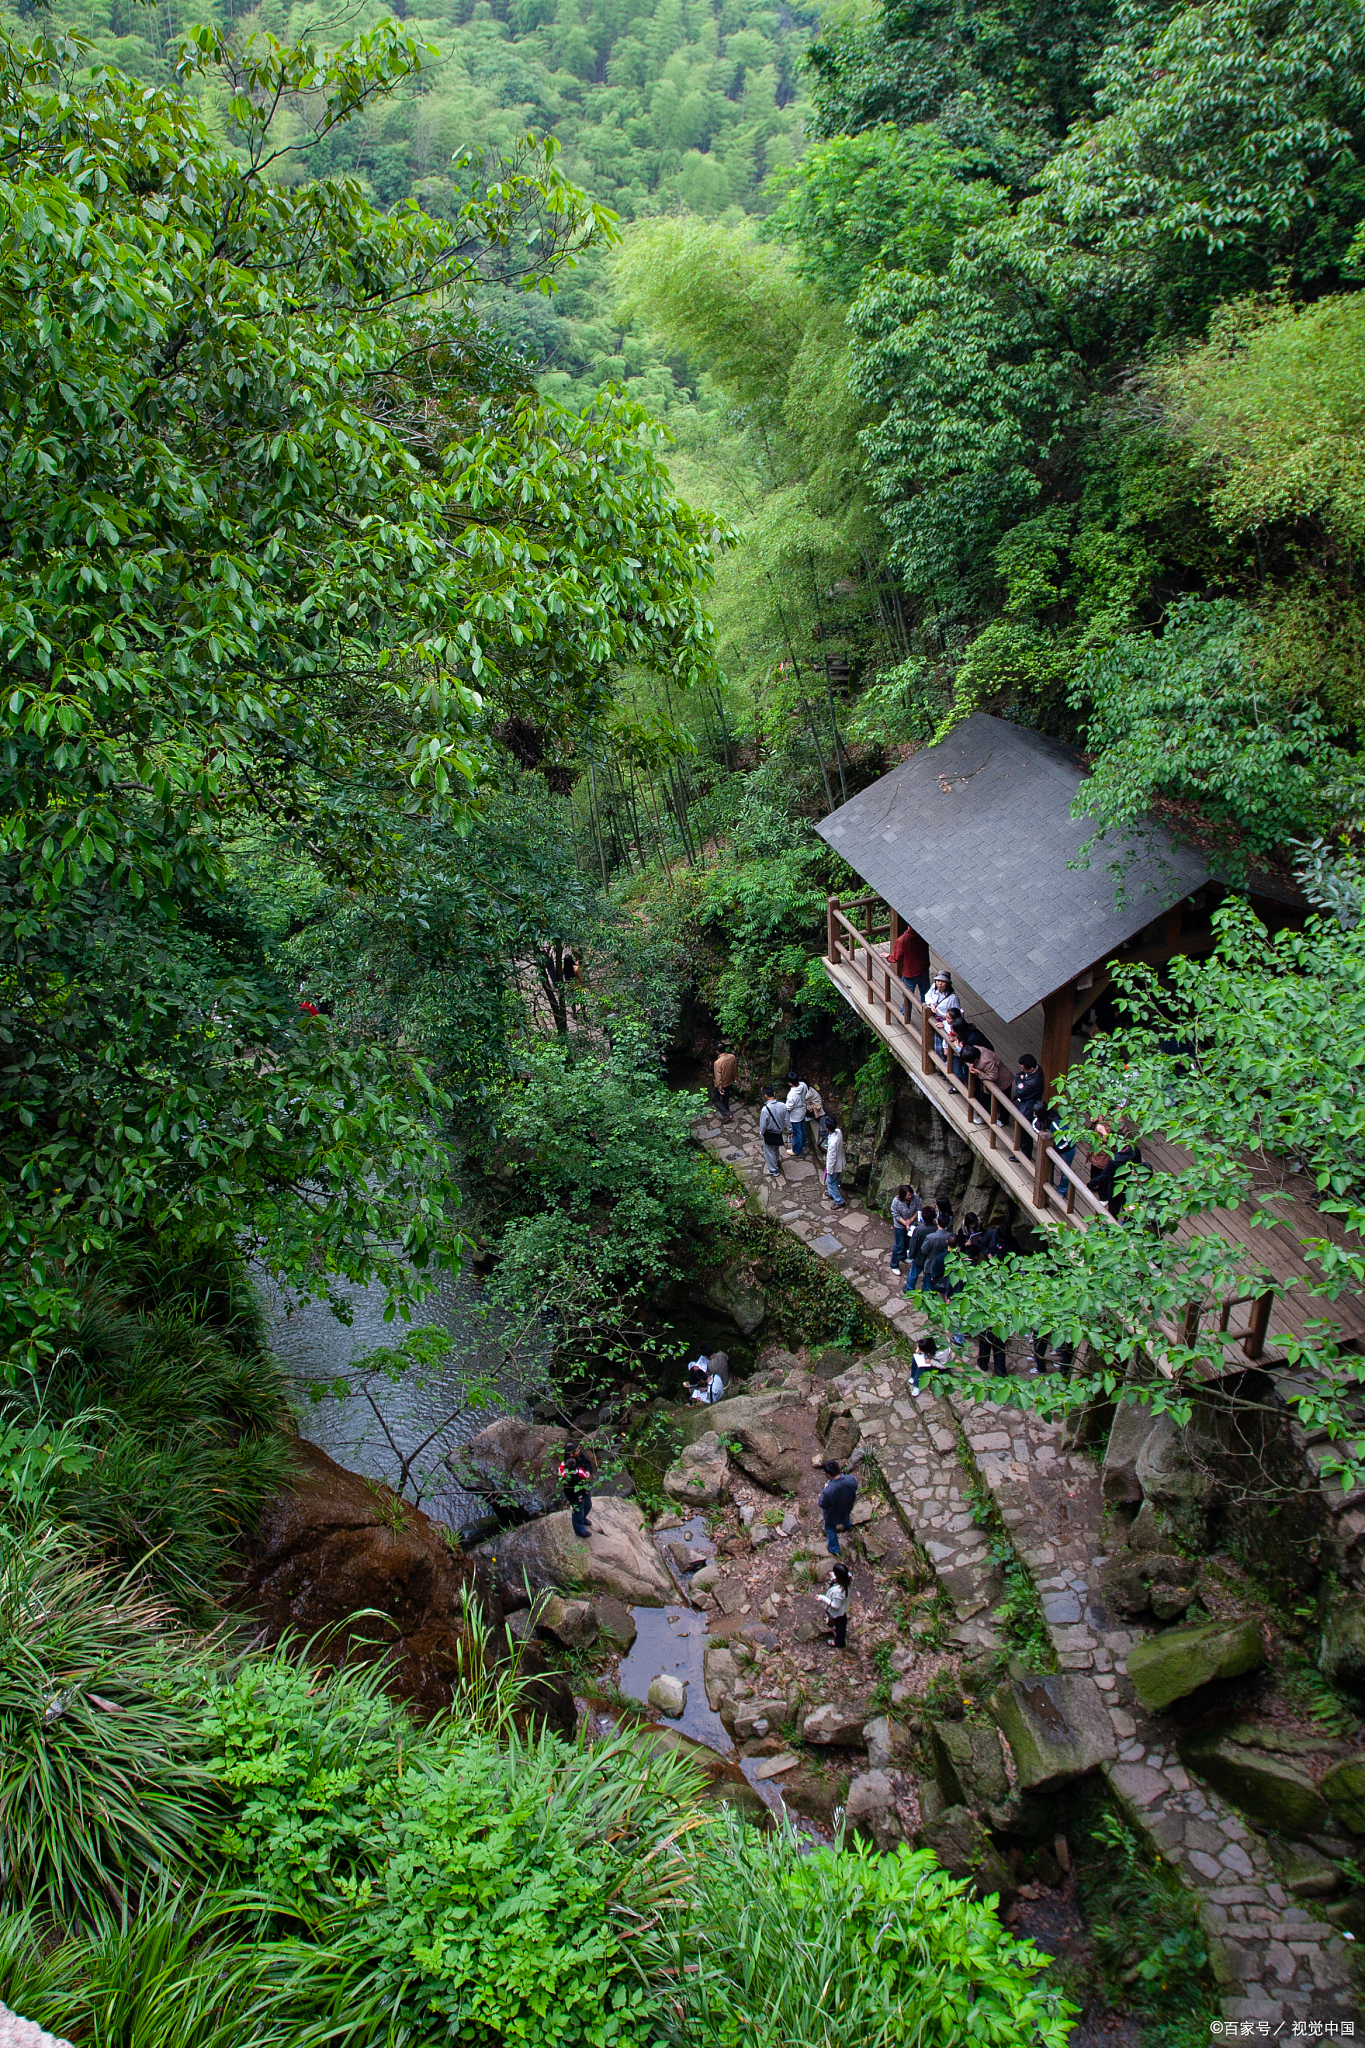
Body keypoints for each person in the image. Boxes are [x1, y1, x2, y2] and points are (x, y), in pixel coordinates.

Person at [906, 1207, 951, 1297]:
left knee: (914, 1274)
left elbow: (913, 1244)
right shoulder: (937, 1230)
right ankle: (925, 1292)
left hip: (920, 1257)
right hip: (933, 1259)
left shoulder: (919, 1230)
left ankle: (909, 1290)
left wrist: (911, 1254)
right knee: (927, 1278)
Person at [889, 923, 931, 1014]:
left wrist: (887, 956)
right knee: (926, 994)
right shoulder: (924, 934)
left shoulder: (903, 939)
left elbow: (895, 957)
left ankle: (905, 1014)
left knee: (908, 995)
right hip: (923, 969)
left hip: (910, 972)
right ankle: (926, 1012)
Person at [819, 1460, 858, 1555]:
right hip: (847, 1507)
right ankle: (848, 1525)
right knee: (846, 1517)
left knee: (830, 1529)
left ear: (828, 1475)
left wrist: (825, 1489)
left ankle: (834, 1549)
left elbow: (822, 1504)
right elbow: (855, 1486)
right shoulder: (851, 1479)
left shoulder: (828, 1491)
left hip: (832, 1515)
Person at [558, 1443, 596, 1539]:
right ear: (571, 1454)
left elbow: (587, 1463)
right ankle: (579, 1530)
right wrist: (579, 1496)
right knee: (578, 1511)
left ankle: (583, 1519)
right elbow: (571, 1484)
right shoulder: (568, 1466)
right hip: (574, 1493)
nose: (579, 1451)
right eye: (577, 1450)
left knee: (587, 1505)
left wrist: (588, 1471)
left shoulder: (579, 1455)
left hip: (584, 1486)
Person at [818, 1561, 852, 1648]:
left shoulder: (838, 1592)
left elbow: (835, 1606)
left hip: (837, 1613)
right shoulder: (849, 1580)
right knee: (841, 1624)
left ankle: (839, 1642)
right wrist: (834, 1576)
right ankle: (838, 1633)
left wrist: (822, 1598)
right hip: (842, 1610)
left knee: (839, 1625)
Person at [758, 1086, 789, 1176]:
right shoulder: (783, 1106)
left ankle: (773, 1170)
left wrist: (762, 1132)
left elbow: (763, 1123)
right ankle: (777, 1161)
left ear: (766, 1096)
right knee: (776, 1148)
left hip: (769, 1133)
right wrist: (790, 1130)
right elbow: (787, 1119)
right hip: (778, 1132)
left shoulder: (765, 1109)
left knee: (769, 1151)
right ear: (774, 1093)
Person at [890, 1184, 916, 1273]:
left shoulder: (915, 1198)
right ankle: (894, 1264)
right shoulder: (896, 1202)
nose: (910, 1196)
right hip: (900, 1225)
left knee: (908, 1242)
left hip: (911, 1224)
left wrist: (910, 1221)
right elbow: (895, 1214)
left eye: (911, 1194)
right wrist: (905, 1223)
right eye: (908, 1195)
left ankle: (903, 1256)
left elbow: (918, 1210)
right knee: (899, 1245)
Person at [822, 1117, 847, 1207]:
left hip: (834, 1166)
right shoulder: (838, 1132)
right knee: (835, 1180)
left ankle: (838, 1200)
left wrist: (829, 1170)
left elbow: (831, 1159)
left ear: (827, 1128)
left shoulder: (832, 1143)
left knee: (830, 1182)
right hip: (840, 1162)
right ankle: (832, 1193)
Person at [785, 1072, 810, 1157]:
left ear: (789, 1082)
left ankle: (797, 1150)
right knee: (802, 1129)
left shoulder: (791, 1095)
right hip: (803, 1110)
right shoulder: (803, 1085)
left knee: (796, 1133)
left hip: (795, 1116)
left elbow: (788, 1108)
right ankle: (802, 1144)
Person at [713, 1045, 738, 1122]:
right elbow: (735, 1068)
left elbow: (718, 1076)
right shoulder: (732, 1057)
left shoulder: (718, 1062)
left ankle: (727, 1115)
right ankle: (727, 1114)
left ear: (717, 1051)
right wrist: (735, 1078)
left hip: (722, 1084)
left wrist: (720, 1088)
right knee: (725, 1098)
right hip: (729, 1081)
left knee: (714, 1098)